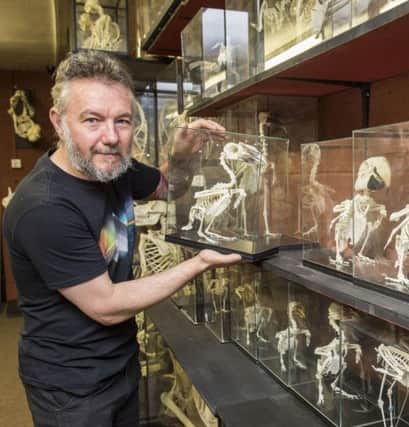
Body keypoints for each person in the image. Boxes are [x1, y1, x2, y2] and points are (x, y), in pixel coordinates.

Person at [2, 50, 241, 426]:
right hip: (69, 386)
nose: (111, 137)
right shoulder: (44, 207)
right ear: (59, 122)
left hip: (120, 362)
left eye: (123, 121)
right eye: (92, 120)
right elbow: (106, 305)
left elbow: (168, 187)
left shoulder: (115, 168)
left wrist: (179, 156)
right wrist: (201, 261)